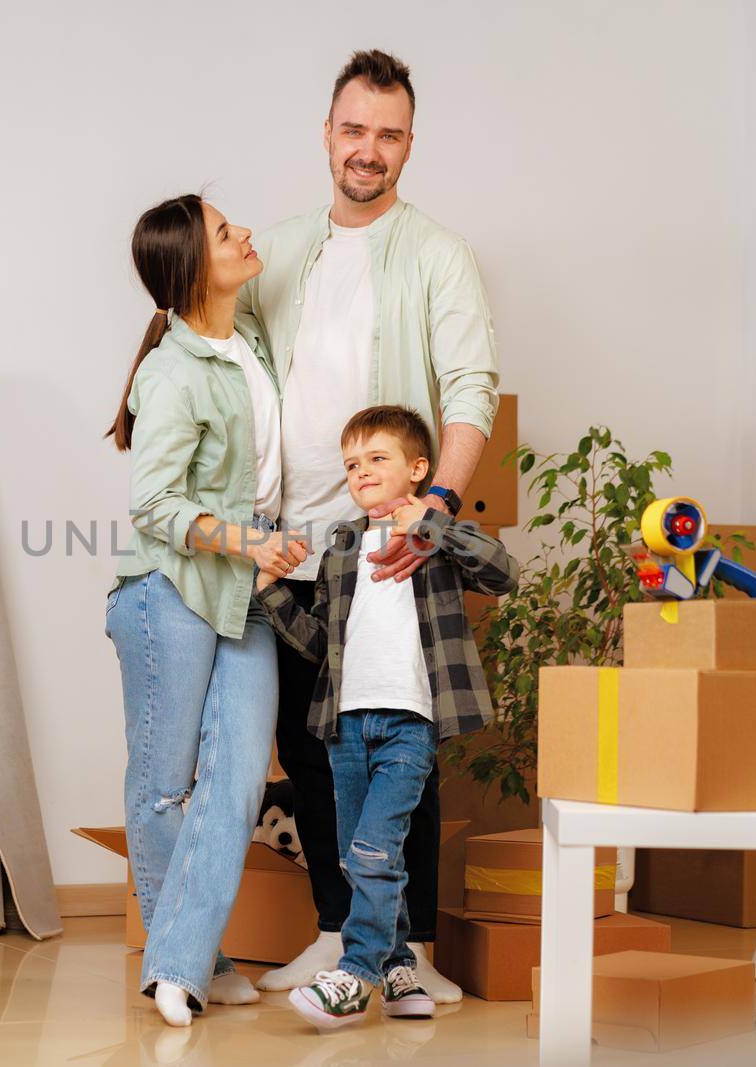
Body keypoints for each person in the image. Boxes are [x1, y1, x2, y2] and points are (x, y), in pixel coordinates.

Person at [236, 49, 501, 1000]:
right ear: (329, 133)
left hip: (390, 548)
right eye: (355, 130)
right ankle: (339, 927)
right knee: (310, 744)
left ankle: (413, 947)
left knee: (402, 739)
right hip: (294, 539)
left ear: (409, 145)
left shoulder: (438, 255)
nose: (369, 150)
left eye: (388, 135)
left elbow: (473, 386)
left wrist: (437, 507)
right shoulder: (280, 249)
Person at [104, 194, 310, 1027]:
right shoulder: (170, 371)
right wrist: (247, 543)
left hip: (246, 586)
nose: (246, 233)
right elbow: (154, 503)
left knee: (233, 782)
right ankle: (189, 964)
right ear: (193, 268)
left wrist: (270, 544)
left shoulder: (252, 340)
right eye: (227, 233)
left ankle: (180, 961)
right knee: (163, 789)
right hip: (169, 590)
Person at [255, 405, 515, 1030]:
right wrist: (266, 590)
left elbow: (503, 572)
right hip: (346, 726)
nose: (362, 472)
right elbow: (318, 643)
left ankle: (357, 973)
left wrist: (436, 524)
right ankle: (400, 969)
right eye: (351, 464)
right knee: (357, 853)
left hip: (409, 723)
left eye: (378, 459)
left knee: (376, 847)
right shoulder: (343, 547)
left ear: (418, 469)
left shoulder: (434, 536)